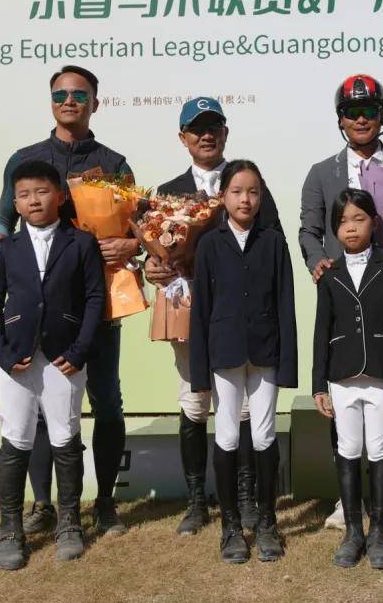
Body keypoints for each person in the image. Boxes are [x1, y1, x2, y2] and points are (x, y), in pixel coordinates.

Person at [0, 65, 137, 537]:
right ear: (50, 101)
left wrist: (131, 245)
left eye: (79, 94)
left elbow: (139, 228)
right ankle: (44, 504)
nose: (69, 101)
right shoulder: (24, 158)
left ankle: (105, 501)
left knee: (107, 402)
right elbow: (3, 216)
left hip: (96, 305)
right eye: (60, 94)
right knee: (37, 409)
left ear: (96, 102)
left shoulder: (114, 163)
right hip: (37, 312)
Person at [143, 97, 282, 535]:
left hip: (239, 312)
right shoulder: (167, 191)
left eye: (213, 127)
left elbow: (271, 241)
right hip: (187, 307)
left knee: (242, 408)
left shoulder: (248, 183)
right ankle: (196, 500)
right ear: (182, 137)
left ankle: (243, 495)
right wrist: (152, 267)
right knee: (195, 399)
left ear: (225, 133)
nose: (206, 135)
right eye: (196, 129)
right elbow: (151, 247)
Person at [298, 73, 383, 532]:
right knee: (344, 393)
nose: (360, 119)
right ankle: (347, 499)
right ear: (340, 119)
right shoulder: (321, 173)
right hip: (346, 296)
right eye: (352, 112)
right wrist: (316, 261)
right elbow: (309, 230)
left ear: (382, 115)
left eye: (369, 110)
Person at [0, 160, 106, 568]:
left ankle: (69, 523)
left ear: (60, 196)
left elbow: (94, 299)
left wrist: (80, 350)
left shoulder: (81, 243)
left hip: (64, 357)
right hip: (16, 358)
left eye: (41, 191)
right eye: (24, 195)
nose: (33, 200)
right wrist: (1, 353)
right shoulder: (7, 248)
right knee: (15, 438)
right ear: (15, 204)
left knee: (66, 436)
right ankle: (10, 528)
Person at [189, 160, 298, 564]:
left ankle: (267, 522)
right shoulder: (209, 245)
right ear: (222, 197)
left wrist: (288, 365)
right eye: (236, 192)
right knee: (228, 436)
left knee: (265, 434)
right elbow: (200, 311)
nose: (245, 199)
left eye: (253, 192)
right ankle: (231, 527)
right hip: (225, 353)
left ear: (262, 196)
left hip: (265, 353)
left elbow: (285, 305)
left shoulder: (273, 242)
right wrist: (199, 371)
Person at [312, 189, 383, 570]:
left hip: (382, 376)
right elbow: (321, 331)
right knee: (348, 448)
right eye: (342, 222)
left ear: (374, 222)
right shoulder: (328, 274)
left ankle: (379, 533)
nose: (351, 228)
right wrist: (318, 384)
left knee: (381, 448)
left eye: (359, 219)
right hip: (341, 376)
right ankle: (353, 532)